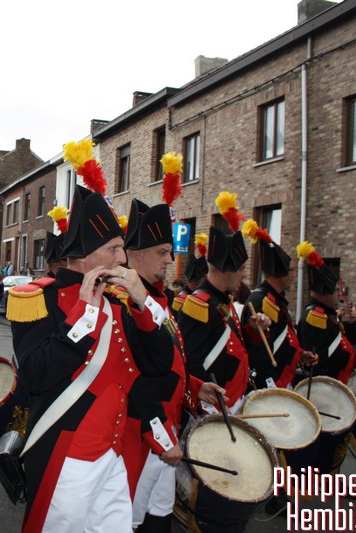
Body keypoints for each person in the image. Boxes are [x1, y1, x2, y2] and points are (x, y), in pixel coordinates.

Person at [7, 141, 173, 533]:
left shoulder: (120, 303)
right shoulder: (37, 298)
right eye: (114, 249)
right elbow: (36, 375)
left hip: (112, 455)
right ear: (84, 255)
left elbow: (157, 365)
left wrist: (142, 304)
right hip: (67, 457)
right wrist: (83, 315)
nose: (122, 259)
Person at [121, 197, 224, 533]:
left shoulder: (157, 299)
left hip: (166, 433)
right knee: (130, 522)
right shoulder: (125, 303)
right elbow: (137, 380)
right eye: (162, 252)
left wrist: (195, 387)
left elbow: (169, 366)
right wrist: (163, 438)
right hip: (143, 437)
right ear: (138, 254)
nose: (170, 259)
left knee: (158, 521)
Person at [178, 192, 271, 414]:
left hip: (232, 402)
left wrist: (254, 330)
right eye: (241, 269)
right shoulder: (199, 306)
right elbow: (190, 365)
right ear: (223, 270)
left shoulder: (223, 300)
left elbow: (232, 348)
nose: (244, 275)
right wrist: (207, 409)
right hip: (215, 409)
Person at [240, 220, 317, 390]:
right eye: (290, 270)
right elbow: (258, 349)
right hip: (270, 381)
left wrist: (300, 354)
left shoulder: (276, 299)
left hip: (282, 377)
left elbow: (281, 340)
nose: (293, 275)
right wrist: (270, 382)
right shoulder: (260, 300)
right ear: (278, 273)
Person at [296, 241, 356, 383]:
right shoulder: (315, 317)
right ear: (324, 293)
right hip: (329, 385)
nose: (339, 294)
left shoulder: (327, 314)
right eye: (336, 290)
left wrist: (354, 356)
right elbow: (318, 363)